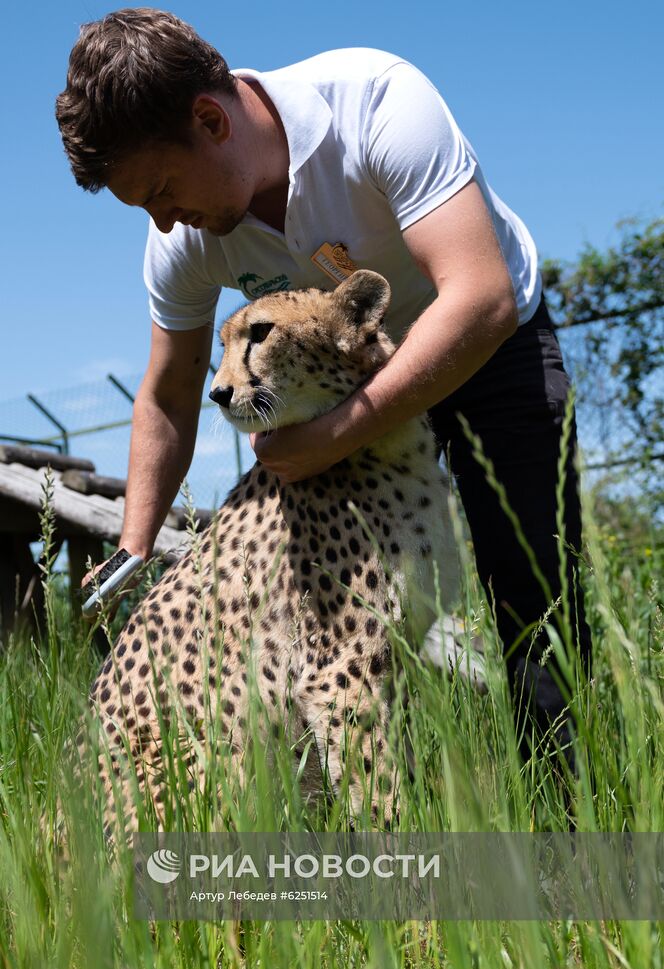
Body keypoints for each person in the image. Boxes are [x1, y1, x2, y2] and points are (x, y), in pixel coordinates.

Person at [56, 8, 591, 767]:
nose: (166, 223)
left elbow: (481, 295)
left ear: (211, 120)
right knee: (350, 637)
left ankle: (572, 849)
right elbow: (170, 394)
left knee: (535, 602)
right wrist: (133, 552)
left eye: (162, 190)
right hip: (332, 380)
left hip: (480, 343)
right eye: (146, 209)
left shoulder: (377, 102)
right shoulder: (181, 241)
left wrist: (329, 440)